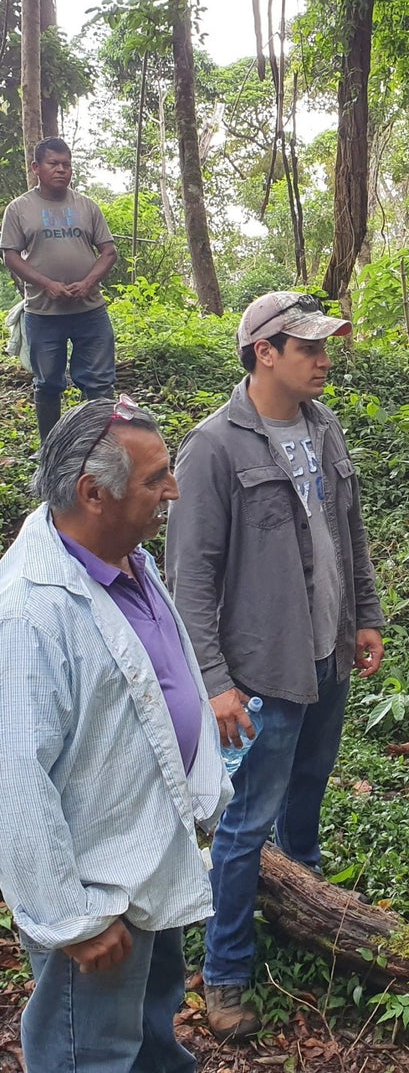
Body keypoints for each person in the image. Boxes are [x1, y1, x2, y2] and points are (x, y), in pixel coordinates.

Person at [165, 290, 385, 1040]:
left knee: (305, 809)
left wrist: (365, 617)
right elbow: (189, 578)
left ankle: (306, 920)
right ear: (265, 352)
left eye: (326, 347)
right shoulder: (215, 447)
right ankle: (225, 973)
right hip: (261, 674)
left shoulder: (323, 428)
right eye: (310, 348)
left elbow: (348, 535)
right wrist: (217, 683)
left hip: (327, 657)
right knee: (244, 823)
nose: (326, 361)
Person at [0, 399, 230, 1072]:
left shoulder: (128, 559)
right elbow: (13, 774)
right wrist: (70, 921)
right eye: (156, 478)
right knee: (89, 1055)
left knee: (151, 1037)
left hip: (152, 861)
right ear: (93, 494)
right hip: (100, 899)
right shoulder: (29, 611)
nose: (174, 491)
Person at [1, 137, 118, 440]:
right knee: (48, 383)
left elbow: (108, 251)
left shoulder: (86, 206)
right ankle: (50, 451)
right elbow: (10, 255)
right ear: (36, 167)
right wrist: (46, 283)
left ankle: (96, 447)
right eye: (54, 164)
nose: (61, 170)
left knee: (100, 384)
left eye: (66, 164)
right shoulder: (19, 209)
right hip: (42, 313)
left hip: (89, 311)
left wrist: (88, 282)